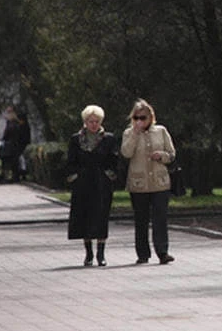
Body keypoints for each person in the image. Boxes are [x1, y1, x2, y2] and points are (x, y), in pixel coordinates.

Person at [120, 99, 176, 265]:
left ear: (150, 117)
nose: (139, 121)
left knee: (160, 218)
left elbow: (172, 153)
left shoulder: (161, 131)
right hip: (139, 184)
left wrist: (162, 156)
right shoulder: (128, 133)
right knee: (141, 219)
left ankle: (162, 252)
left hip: (159, 182)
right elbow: (126, 153)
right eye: (136, 118)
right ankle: (142, 254)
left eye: (143, 118)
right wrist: (135, 134)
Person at [66, 105, 118, 267]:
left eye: (96, 121)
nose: (94, 124)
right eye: (90, 121)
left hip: (101, 183)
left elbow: (114, 160)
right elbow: (70, 161)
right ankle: (88, 253)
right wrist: (74, 177)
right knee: (84, 216)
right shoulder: (76, 139)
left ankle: (101, 253)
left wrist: (110, 176)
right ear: (85, 122)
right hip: (83, 183)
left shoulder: (108, 139)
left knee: (101, 216)